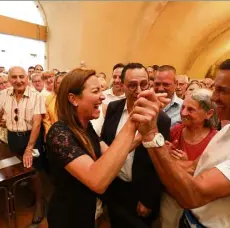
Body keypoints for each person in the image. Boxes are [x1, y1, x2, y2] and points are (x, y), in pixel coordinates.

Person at [132, 53, 230, 228]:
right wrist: (161, 149)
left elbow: (194, 195)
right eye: (216, 89)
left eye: (224, 91)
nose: (213, 98)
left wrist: (152, 136)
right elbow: (193, 168)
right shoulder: (228, 130)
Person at [45, 68, 169, 228]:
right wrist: (133, 120)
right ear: (73, 99)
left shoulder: (84, 127)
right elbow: (97, 181)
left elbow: (109, 153)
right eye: (96, 91)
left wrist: (142, 135)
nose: (103, 96)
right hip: (67, 214)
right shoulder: (59, 133)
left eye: (102, 90)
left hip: (86, 209)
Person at [101, 63, 171, 228]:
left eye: (144, 84)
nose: (139, 90)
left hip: (140, 191)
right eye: (132, 85)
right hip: (114, 185)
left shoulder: (160, 119)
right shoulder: (113, 108)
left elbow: (160, 164)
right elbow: (106, 140)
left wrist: (148, 199)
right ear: (122, 86)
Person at [160, 88, 218, 228]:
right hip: (171, 199)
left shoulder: (216, 139)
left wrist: (185, 163)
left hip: (198, 206)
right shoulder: (175, 130)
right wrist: (165, 152)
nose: (184, 113)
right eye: (183, 107)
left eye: (191, 109)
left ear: (209, 114)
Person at [42, 71, 67, 136]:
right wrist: (51, 136)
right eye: (58, 83)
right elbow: (46, 122)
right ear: (55, 85)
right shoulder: (48, 100)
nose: (62, 85)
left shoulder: (75, 99)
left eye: (64, 82)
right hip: (54, 135)